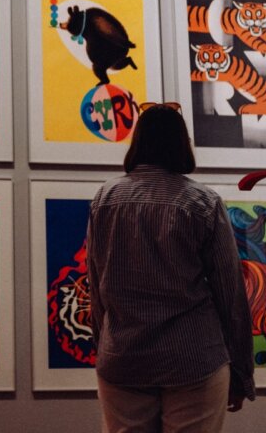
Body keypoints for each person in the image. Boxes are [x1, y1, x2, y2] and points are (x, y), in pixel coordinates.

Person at [86, 103, 255, 433]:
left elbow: (96, 287)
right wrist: (242, 373)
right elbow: (230, 293)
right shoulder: (201, 202)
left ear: (138, 143)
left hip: (123, 358)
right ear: (182, 143)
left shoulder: (105, 198)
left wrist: (103, 348)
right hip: (193, 358)